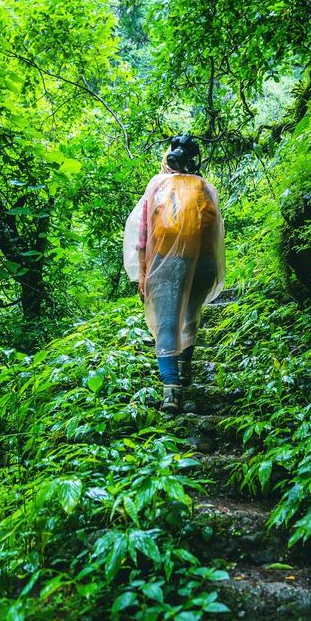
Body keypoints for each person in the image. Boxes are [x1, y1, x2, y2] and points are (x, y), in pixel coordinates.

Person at [123, 134, 225, 412]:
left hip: (166, 263)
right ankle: (185, 371)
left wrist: (143, 272)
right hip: (202, 263)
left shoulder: (157, 184)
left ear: (170, 156)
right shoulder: (204, 186)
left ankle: (171, 391)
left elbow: (142, 234)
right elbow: (216, 234)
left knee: (166, 325)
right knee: (189, 318)